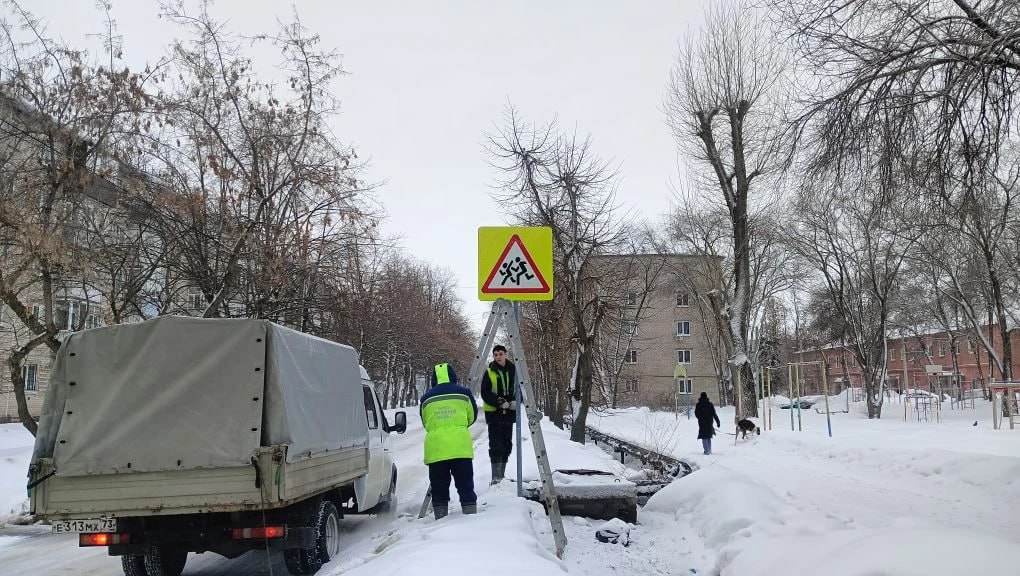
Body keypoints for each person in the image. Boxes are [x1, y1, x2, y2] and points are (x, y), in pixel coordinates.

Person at [420, 362, 478, 519]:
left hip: (436, 450)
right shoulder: (464, 394)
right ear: (453, 376)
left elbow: (426, 423)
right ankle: (470, 515)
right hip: (460, 448)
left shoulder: (426, 398)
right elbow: (471, 417)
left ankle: (440, 516)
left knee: (439, 487)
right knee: (465, 485)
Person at [480, 344, 516, 484]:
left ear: (505, 354)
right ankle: (496, 478)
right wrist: (499, 401)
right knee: (496, 446)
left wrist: (515, 401)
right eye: (495, 355)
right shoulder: (489, 372)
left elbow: (519, 389)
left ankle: (502, 476)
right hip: (494, 415)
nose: (498, 357)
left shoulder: (514, 370)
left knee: (507, 445)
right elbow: (485, 392)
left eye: (500, 354)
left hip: (509, 414)